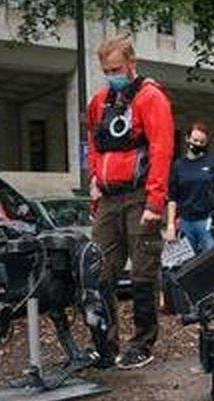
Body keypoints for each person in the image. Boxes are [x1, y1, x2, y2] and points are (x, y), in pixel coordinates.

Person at [87, 36, 174, 370]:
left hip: (139, 197)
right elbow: (94, 144)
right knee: (100, 274)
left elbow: (161, 149)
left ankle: (142, 342)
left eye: (117, 69)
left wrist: (155, 201)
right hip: (108, 198)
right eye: (107, 70)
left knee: (143, 273)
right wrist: (95, 178)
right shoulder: (100, 102)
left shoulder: (151, 98)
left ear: (131, 64)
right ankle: (104, 343)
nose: (112, 75)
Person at [164, 122, 214, 301]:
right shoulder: (178, 166)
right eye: (194, 140)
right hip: (185, 222)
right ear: (187, 139)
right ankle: (193, 302)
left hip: (206, 221)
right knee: (187, 265)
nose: (197, 144)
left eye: (201, 141)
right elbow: (172, 198)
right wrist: (170, 225)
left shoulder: (213, 163)